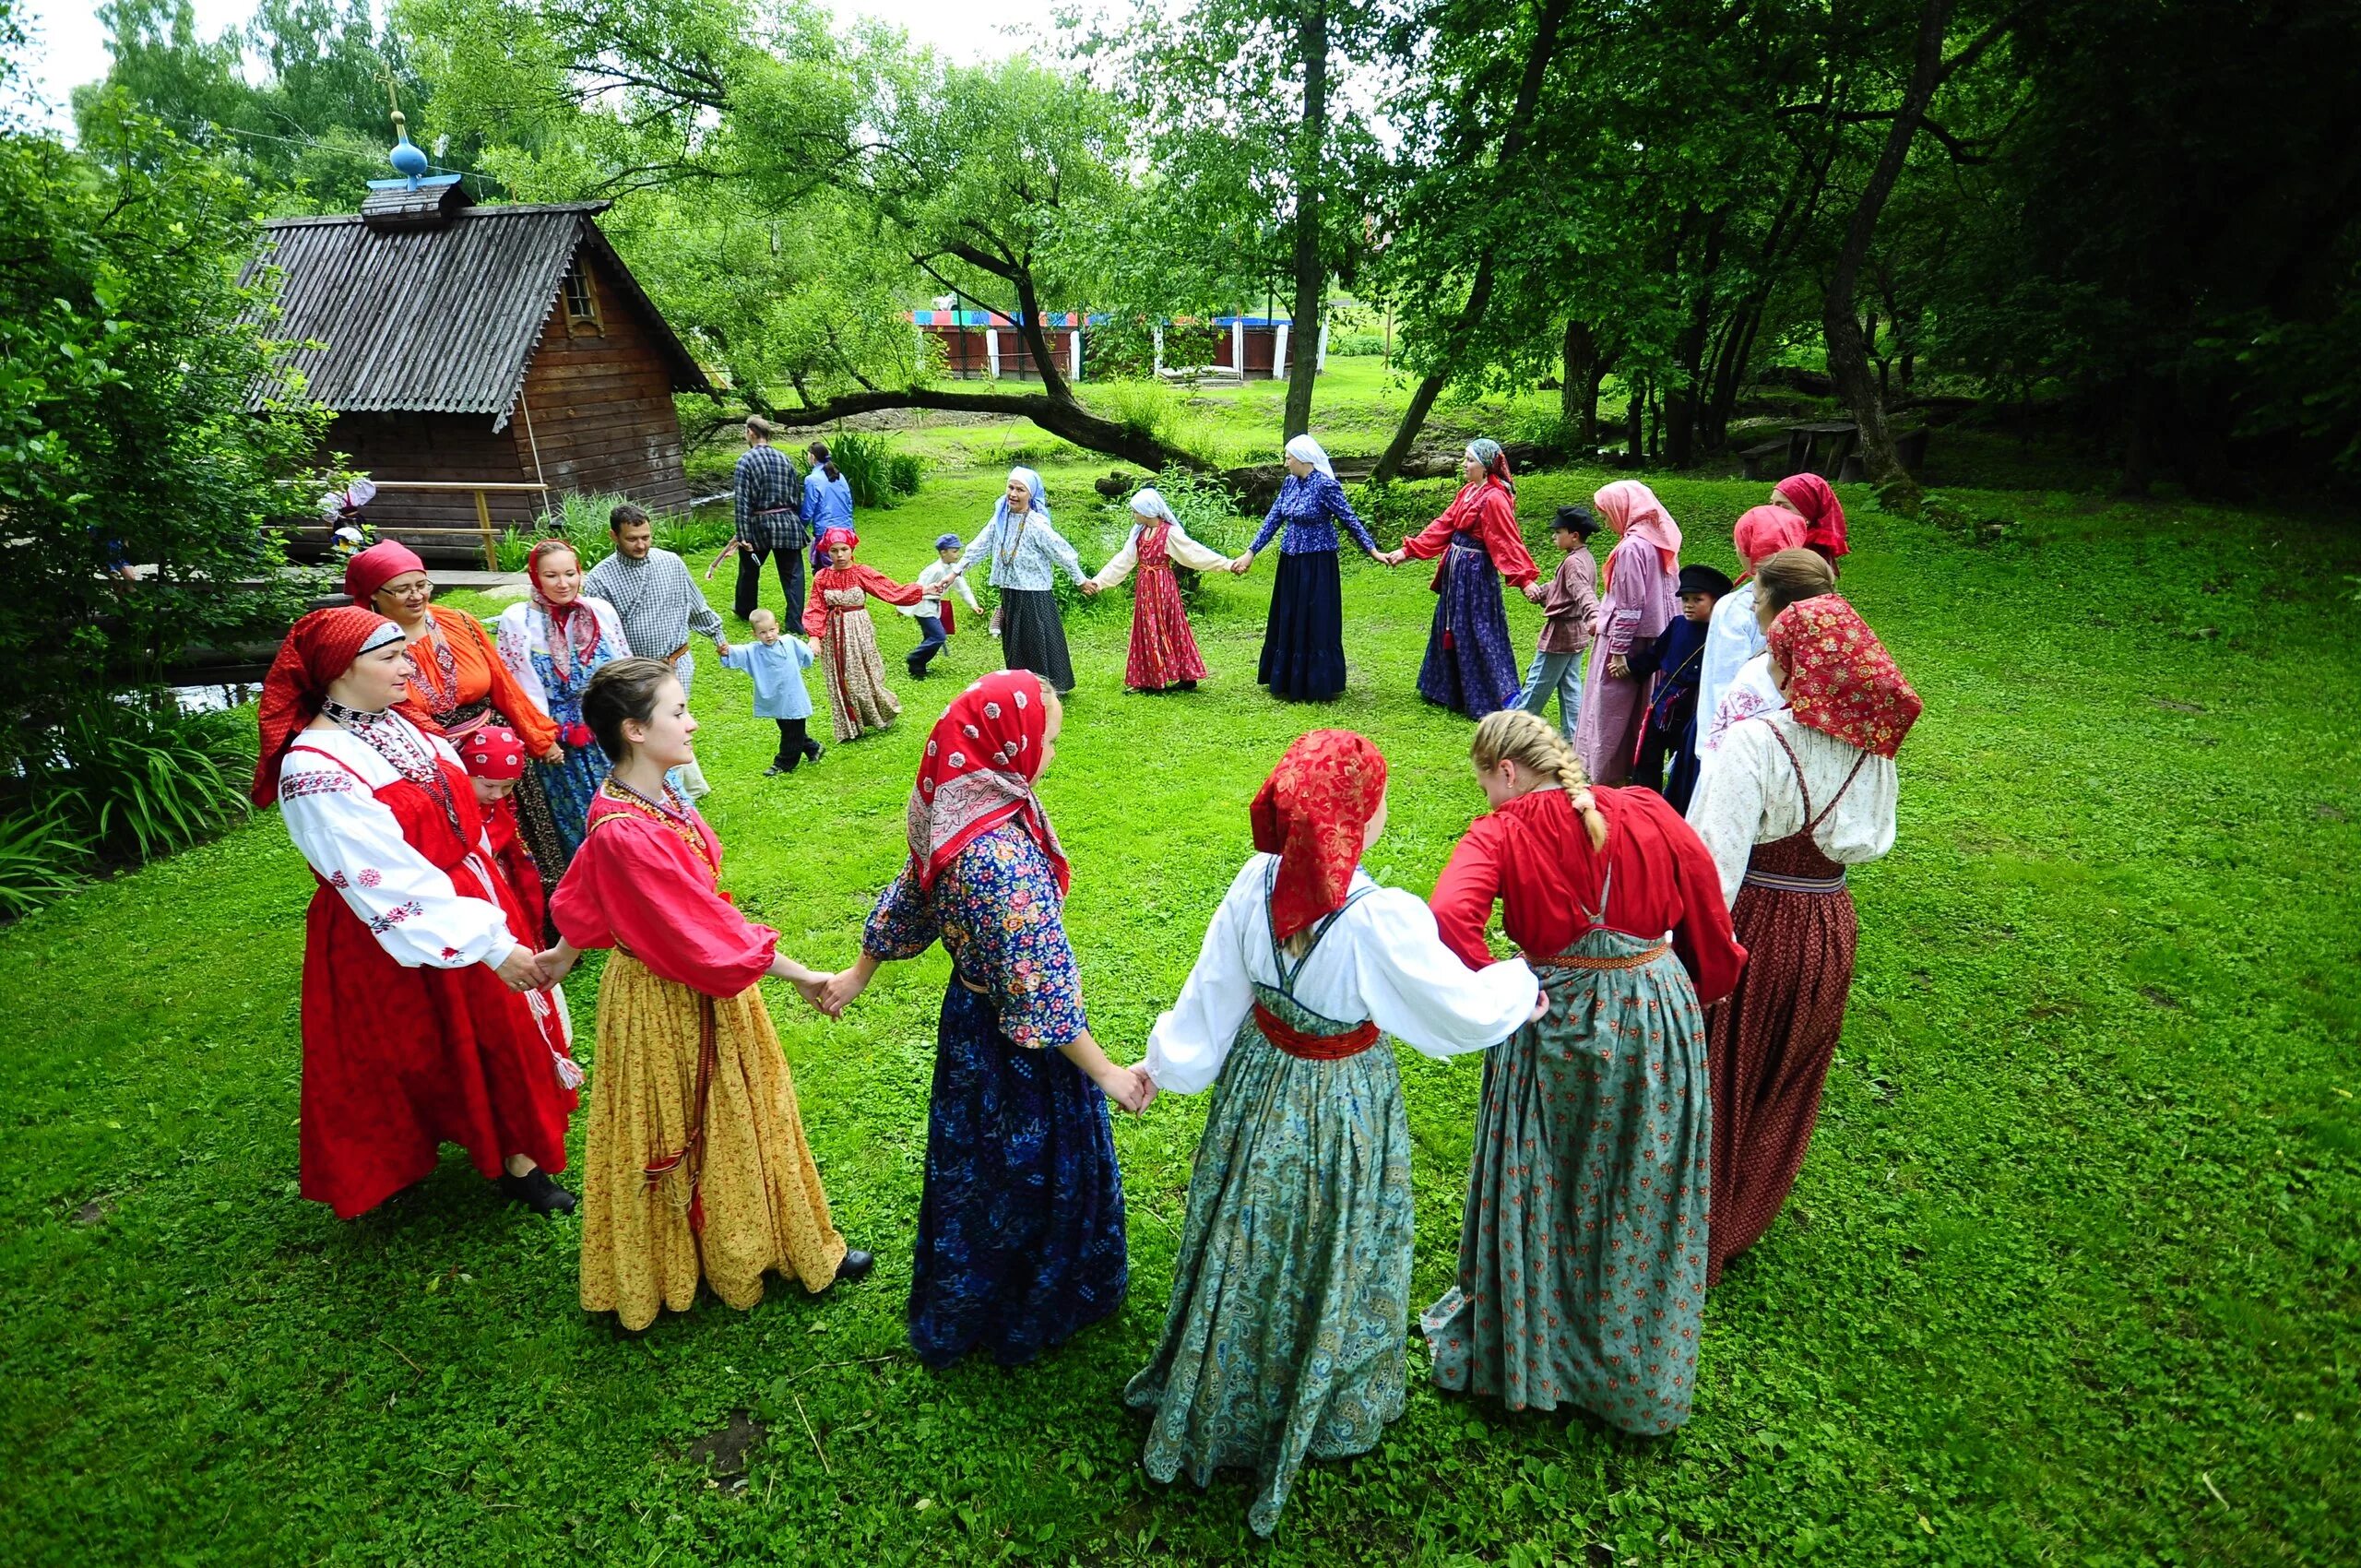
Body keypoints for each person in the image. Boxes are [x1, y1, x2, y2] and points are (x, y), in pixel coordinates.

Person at [1127, 731, 1540, 1537]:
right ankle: (1314, 1384)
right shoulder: (1379, 920)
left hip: (1256, 1085)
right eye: (1378, 800)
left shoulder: (1255, 882)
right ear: (1357, 819)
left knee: (1249, 1232)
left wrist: (1164, 1066)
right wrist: (1520, 987)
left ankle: (1231, 1379)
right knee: (1327, 1236)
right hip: (1338, 1104)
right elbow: (1452, 1010)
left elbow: (1211, 994)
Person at [1422, 709, 1744, 1435]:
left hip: (1553, 1015)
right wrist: (1705, 983)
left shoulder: (1501, 831)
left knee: (1543, 1180)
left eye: (1485, 785)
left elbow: (1448, 918)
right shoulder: (1650, 808)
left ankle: (1538, 1354)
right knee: (1637, 1184)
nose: (1488, 800)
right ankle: (1629, 1369)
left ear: (1506, 771)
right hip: (1653, 1014)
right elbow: (1707, 910)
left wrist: (1507, 986)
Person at [820, 671, 1150, 1369]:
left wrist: (858, 972)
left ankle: (979, 1287)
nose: (1052, 753)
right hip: (1018, 1049)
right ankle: (1026, 1301)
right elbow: (1043, 991)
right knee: (1027, 1169)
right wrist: (1109, 1075)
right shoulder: (999, 861)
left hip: (971, 1020)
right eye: (1049, 740)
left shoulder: (957, 808)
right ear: (1009, 745)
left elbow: (912, 892)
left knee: (978, 1164)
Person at [535, 659, 872, 1331]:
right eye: (677, 712)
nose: (692, 722)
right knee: (700, 1118)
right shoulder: (626, 825)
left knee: (732, 1116)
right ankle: (724, 1254)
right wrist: (806, 976)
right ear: (634, 730)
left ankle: (748, 1240)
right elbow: (703, 933)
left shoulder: (643, 797)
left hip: (684, 982)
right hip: (670, 996)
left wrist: (563, 951)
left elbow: (582, 887)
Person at [254, 605, 579, 1220]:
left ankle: (518, 1159)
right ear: (340, 670)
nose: (410, 664)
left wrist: (495, 891)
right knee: (411, 1055)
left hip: (470, 898)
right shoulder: (314, 768)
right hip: (394, 932)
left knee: (499, 1039)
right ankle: (402, 1158)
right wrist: (484, 942)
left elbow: (457, 812)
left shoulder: (406, 724)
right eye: (392, 657)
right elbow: (383, 880)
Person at [1685, 596, 1917, 1285]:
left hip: (1753, 920)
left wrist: (1687, 954)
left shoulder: (1757, 743)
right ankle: (1743, 1210)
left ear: (1794, 665)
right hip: (1828, 926)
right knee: (1785, 1073)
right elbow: (1869, 841)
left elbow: (1710, 863)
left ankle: (1693, 1221)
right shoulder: (1875, 757)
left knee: (1720, 1066)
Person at [495, 540, 633, 883]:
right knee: (581, 813)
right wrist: (542, 738)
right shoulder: (518, 620)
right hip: (563, 742)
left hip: (613, 727)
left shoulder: (599, 611)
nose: (563, 584)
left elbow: (624, 666)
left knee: (634, 801)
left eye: (570, 574)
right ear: (535, 578)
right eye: (551, 575)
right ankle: (605, 887)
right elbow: (518, 686)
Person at [1379, 438, 1542, 719]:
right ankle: (1447, 690)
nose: (1463, 465)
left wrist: (1524, 580)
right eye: (1464, 459)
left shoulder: (1494, 498)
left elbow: (1506, 541)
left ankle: (1494, 695)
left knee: (1479, 631)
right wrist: (1408, 551)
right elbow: (1443, 526)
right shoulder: (1468, 492)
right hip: (1456, 574)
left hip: (1476, 576)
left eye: (1469, 460)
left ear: (1486, 465)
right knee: (1451, 626)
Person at [586, 503, 730, 801]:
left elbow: (696, 606)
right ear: (614, 536)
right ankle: (663, 791)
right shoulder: (600, 579)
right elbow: (601, 636)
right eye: (632, 539)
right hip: (637, 673)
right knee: (649, 731)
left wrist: (718, 636)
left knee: (672, 725)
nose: (641, 545)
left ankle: (680, 789)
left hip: (678, 663)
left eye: (646, 537)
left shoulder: (671, 563)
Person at [1230, 435, 1382, 703]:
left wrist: (1372, 550)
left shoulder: (1326, 486)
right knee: (1288, 615)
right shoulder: (1290, 483)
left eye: (1289, 457)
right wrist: (1250, 552)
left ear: (1302, 459)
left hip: (1317, 563)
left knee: (1314, 618)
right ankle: (1287, 678)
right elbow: (1274, 517)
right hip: (1290, 561)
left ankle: (1315, 681)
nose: (1286, 462)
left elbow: (1349, 518)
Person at [1574, 480, 1682, 785]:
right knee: (1639, 711)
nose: (1606, 522)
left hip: (1629, 643)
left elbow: (1631, 605)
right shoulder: (1659, 540)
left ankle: (1608, 772)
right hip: (1652, 642)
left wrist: (1619, 651)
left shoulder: (1632, 548)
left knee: (1612, 710)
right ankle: (1634, 770)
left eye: (1607, 514)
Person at [1082, 487, 1230, 695]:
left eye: (1136, 511)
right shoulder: (1139, 534)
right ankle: (1150, 679)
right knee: (1146, 629)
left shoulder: (1169, 533)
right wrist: (1098, 582)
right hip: (1146, 588)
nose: (1133, 515)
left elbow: (1195, 553)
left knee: (1172, 627)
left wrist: (1226, 564)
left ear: (1147, 511)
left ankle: (1186, 676)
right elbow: (1123, 561)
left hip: (1163, 587)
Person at [956, 468, 1088, 695]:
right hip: (1010, 591)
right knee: (1014, 642)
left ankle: (1046, 687)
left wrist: (1080, 580)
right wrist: (955, 572)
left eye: (1020, 489)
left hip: (1034, 593)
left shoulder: (1037, 524)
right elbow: (980, 546)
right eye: (1010, 487)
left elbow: (1062, 552)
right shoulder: (1000, 518)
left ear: (1031, 494)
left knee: (1037, 641)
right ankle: (1020, 685)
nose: (1013, 494)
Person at [1697, 548, 1837, 762]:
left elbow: (1722, 757)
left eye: (1757, 599)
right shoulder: (1844, 664)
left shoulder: (1758, 675)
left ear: (1785, 608)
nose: (1753, 608)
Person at [1626, 564, 1734, 813]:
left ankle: (1677, 809)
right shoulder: (1677, 625)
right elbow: (1655, 655)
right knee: (1648, 758)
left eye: (1698, 599)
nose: (1689, 604)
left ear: (1717, 602)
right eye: (1685, 599)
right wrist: (1631, 668)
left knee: (1681, 760)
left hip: (1693, 709)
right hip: (1663, 702)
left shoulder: (1722, 634)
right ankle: (1645, 805)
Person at [801, 527, 925, 742]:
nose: (839, 555)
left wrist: (925, 590)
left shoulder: (861, 572)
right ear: (826, 552)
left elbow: (890, 590)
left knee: (864, 674)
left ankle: (881, 713)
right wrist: (814, 637)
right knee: (840, 679)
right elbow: (816, 607)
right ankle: (850, 727)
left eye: (844, 549)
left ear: (851, 549)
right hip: (834, 633)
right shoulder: (822, 577)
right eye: (834, 551)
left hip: (858, 629)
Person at [1696, 505, 1808, 735]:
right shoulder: (1816, 599)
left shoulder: (1735, 606)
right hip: (1797, 730)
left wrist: (1714, 740)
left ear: (1748, 550)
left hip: (1743, 734)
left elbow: (1723, 680)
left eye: (1738, 545)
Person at [1513, 505, 1601, 742]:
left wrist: (1594, 615)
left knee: (1535, 687)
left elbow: (1582, 592)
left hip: (1561, 634)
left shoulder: (1573, 563)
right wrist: (1541, 593)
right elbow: (1562, 587)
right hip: (1576, 634)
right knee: (1571, 689)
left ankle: (1508, 739)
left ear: (1574, 536)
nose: (1553, 535)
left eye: (1558, 531)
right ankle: (1577, 745)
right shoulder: (1584, 558)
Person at [708, 416, 808, 624]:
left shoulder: (745, 461)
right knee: (793, 574)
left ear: (751, 432)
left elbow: (742, 502)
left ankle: (745, 610)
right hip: (787, 522)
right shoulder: (784, 458)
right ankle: (795, 620)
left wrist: (743, 536)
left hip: (759, 526)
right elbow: (796, 495)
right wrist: (796, 522)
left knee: (749, 569)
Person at [458, 722, 546, 944]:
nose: (497, 795)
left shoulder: (500, 805)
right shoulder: (456, 809)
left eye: (508, 787)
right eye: (488, 786)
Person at [720, 609, 825, 776]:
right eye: (762, 632)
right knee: (788, 728)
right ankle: (813, 748)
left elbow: (806, 653)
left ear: (777, 627)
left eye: (771, 630)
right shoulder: (754, 650)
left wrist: (812, 652)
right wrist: (728, 651)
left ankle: (783, 763)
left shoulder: (789, 642)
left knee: (792, 729)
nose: (768, 635)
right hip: (777, 698)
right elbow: (739, 652)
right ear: (754, 634)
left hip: (793, 695)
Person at [899, 532, 980, 680]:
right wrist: (903, 606)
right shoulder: (934, 570)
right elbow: (918, 587)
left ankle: (918, 668)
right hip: (924, 607)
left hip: (934, 607)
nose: (957, 555)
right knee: (938, 636)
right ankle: (914, 658)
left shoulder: (953, 570)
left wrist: (973, 604)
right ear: (943, 552)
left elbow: (962, 587)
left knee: (931, 638)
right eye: (954, 551)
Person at [1770, 472, 1848, 572]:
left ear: (1807, 512)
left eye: (1783, 506)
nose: (1772, 511)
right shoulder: (1782, 537)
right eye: (1771, 504)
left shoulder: (1809, 555)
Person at [801, 440, 854, 540]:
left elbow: (808, 510)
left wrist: (800, 525)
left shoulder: (812, 479)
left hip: (826, 533)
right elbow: (849, 502)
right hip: (847, 530)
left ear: (813, 457)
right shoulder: (840, 476)